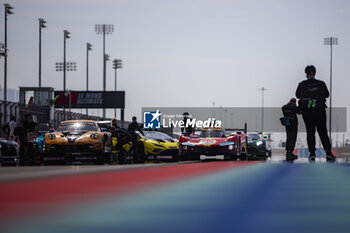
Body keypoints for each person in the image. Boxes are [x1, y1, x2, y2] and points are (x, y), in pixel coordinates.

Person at [296, 65, 335, 161]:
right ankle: (328, 153)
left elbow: (297, 95)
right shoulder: (321, 83)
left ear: (306, 73)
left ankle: (312, 154)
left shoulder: (302, 84)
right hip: (319, 110)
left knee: (310, 132)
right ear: (315, 72)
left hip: (307, 111)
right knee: (323, 132)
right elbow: (326, 94)